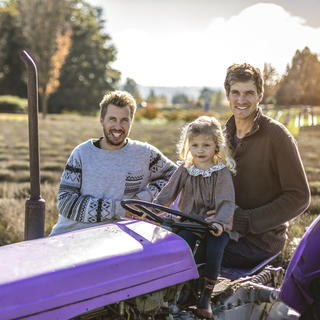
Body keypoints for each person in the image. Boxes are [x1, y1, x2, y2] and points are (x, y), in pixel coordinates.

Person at [221, 63, 311, 269]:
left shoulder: (277, 136)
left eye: (249, 93)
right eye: (235, 92)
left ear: (260, 95)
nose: (241, 100)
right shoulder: (221, 136)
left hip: (260, 242)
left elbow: (299, 197)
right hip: (223, 230)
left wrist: (244, 220)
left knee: (191, 258)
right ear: (227, 95)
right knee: (175, 247)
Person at [50, 90, 176, 236]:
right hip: (70, 236)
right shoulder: (82, 153)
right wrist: (121, 209)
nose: (118, 126)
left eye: (124, 120)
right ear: (101, 120)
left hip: (116, 241)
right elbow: (66, 203)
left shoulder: (145, 153)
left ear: (131, 122)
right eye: (112, 119)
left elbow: (174, 176)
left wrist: (141, 200)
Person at [154, 116, 237, 318]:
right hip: (191, 223)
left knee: (214, 250)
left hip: (214, 225)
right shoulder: (185, 169)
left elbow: (227, 202)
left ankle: (205, 296)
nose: (200, 150)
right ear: (188, 145)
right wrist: (154, 209)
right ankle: (180, 290)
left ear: (216, 146)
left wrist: (219, 222)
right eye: (195, 145)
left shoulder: (221, 173)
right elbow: (168, 192)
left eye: (206, 145)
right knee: (181, 245)